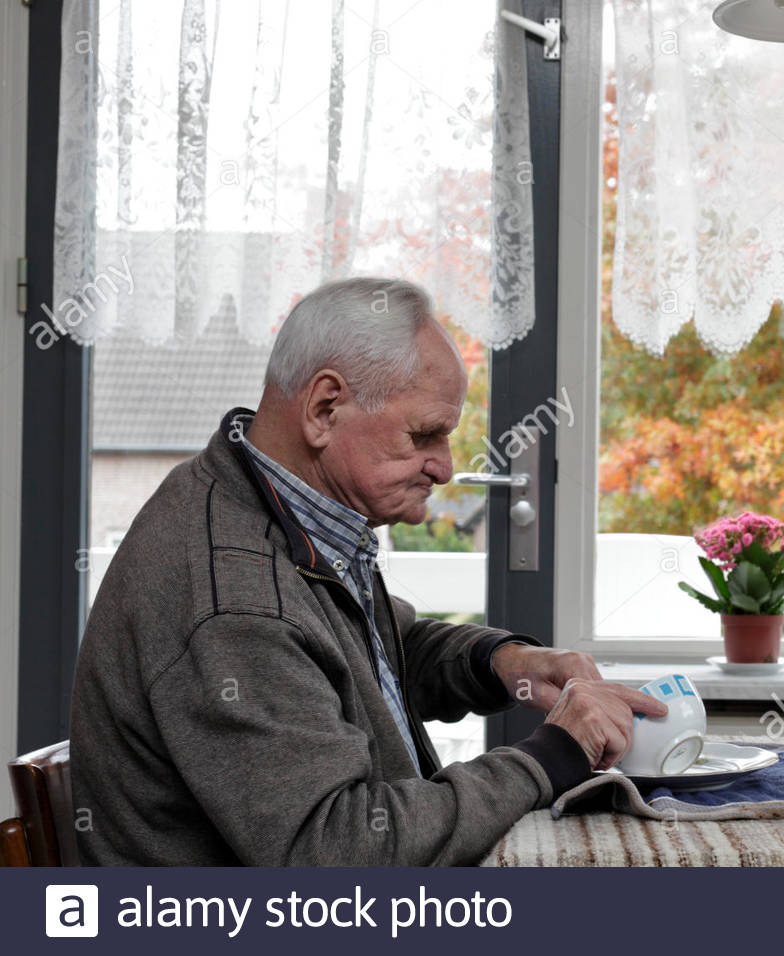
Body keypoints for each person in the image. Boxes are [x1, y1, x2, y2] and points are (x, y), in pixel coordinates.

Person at [69, 277, 665, 866]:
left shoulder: (260, 502)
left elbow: (365, 653)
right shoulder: (235, 597)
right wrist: (550, 757)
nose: (446, 467)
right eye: (425, 434)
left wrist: (499, 662)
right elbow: (338, 851)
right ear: (325, 408)